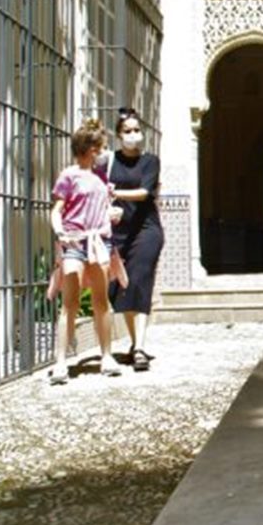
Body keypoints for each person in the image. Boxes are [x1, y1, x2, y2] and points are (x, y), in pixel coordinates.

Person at [50, 118, 120, 383]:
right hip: (75, 243)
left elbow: (103, 210)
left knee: (102, 301)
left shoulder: (102, 180)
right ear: (91, 149)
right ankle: (60, 362)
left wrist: (112, 213)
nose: (103, 152)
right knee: (71, 302)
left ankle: (107, 356)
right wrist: (60, 232)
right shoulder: (68, 175)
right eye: (100, 147)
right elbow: (57, 209)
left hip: (99, 243)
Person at [108, 108, 164, 372]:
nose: (133, 135)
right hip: (117, 233)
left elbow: (144, 193)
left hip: (146, 230)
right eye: (127, 131)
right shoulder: (108, 162)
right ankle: (134, 342)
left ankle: (139, 347)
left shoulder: (150, 161)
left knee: (140, 280)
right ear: (118, 135)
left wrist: (114, 192)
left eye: (136, 130)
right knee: (121, 288)